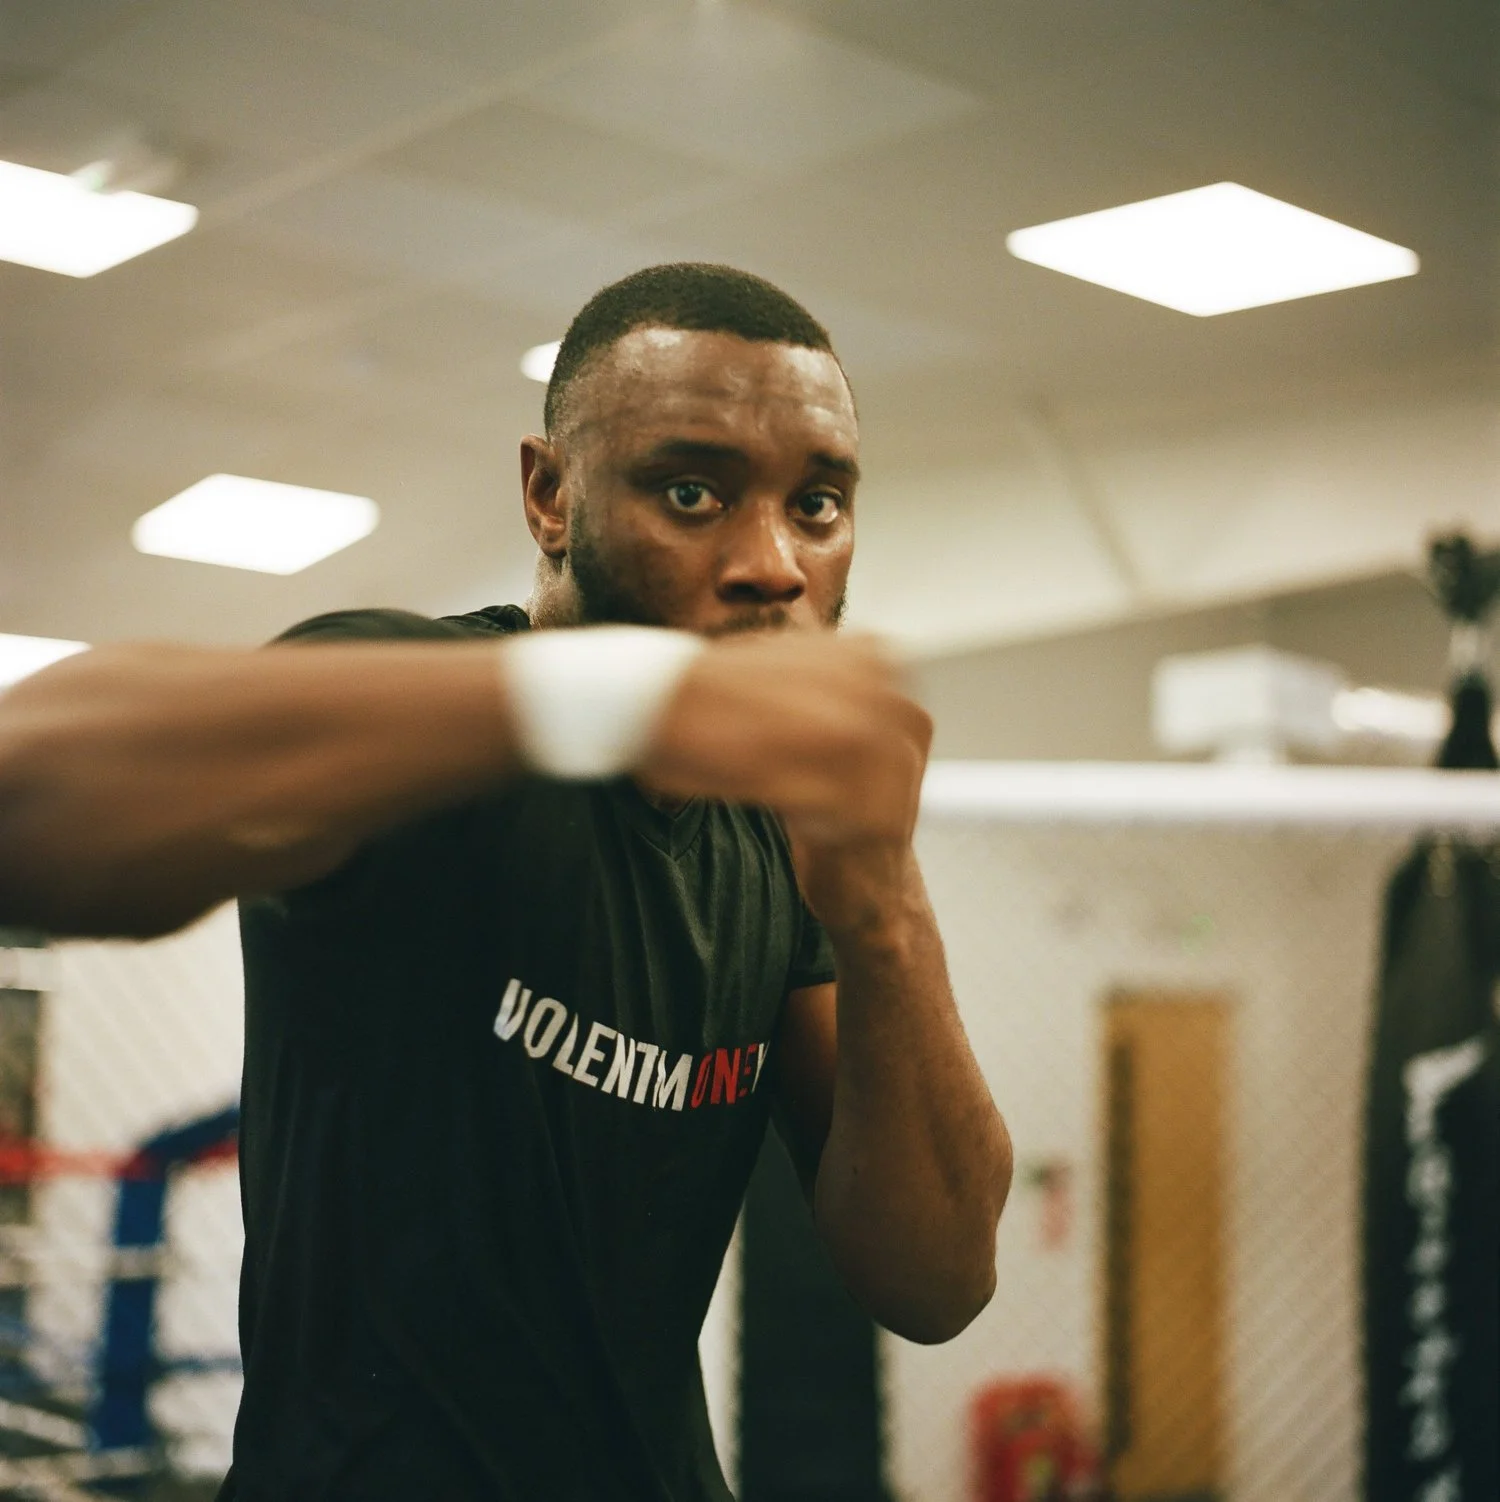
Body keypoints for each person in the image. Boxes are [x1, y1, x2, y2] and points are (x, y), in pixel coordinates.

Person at [0, 264, 1012, 1500]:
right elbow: (27, 790)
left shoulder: (775, 845)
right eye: (690, 491)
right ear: (550, 494)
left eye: (817, 504)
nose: (772, 563)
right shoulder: (425, 724)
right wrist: (630, 700)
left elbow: (938, 1277)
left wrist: (886, 905)